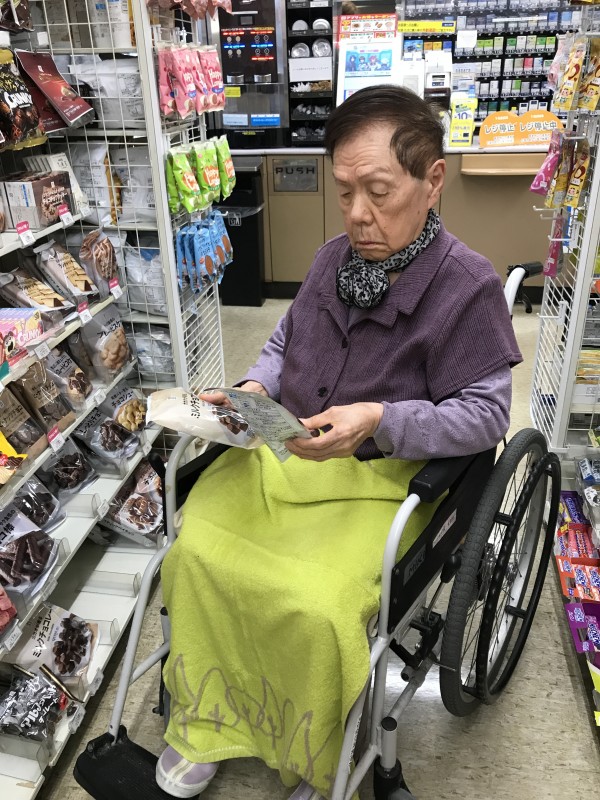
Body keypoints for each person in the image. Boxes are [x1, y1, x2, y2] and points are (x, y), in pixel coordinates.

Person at [156, 85, 522, 800]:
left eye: (378, 192)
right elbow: (285, 341)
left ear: (433, 180)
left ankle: (309, 741)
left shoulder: (467, 288)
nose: (356, 213)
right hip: (290, 455)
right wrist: (255, 389)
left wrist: (381, 419)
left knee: (315, 601)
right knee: (195, 553)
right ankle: (208, 716)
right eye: (345, 191)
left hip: (380, 483)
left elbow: (485, 417)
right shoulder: (331, 260)